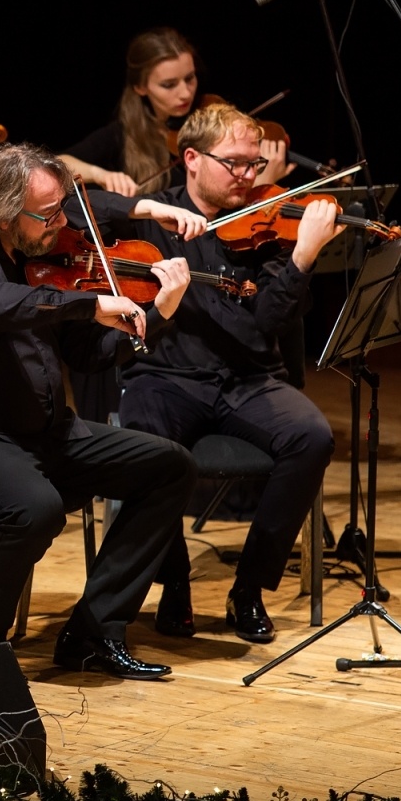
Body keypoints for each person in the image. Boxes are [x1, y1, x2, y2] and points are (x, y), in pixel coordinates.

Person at [0, 143, 198, 679]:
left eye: (63, 208)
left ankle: (93, 632)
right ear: (2, 212)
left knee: (169, 466)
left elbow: (88, 356)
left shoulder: (45, 263)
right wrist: (88, 304)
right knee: (35, 508)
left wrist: (157, 313)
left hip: (45, 432)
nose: (63, 223)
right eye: (49, 214)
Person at [119, 102, 342, 644]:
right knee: (143, 443)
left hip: (247, 378)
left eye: (255, 164)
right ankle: (173, 582)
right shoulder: (154, 218)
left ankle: (250, 587)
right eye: (236, 163)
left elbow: (267, 320)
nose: (248, 176)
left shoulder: (268, 224)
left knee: (312, 437)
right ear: (191, 159)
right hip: (167, 376)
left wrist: (302, 257)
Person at [59, 27, 289, 196]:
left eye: (190, 78)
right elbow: (55, 164)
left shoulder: (208, 113)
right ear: (140, 87)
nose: (185, 93)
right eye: (169, 85)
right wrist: (100, 174)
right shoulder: (121, 135)